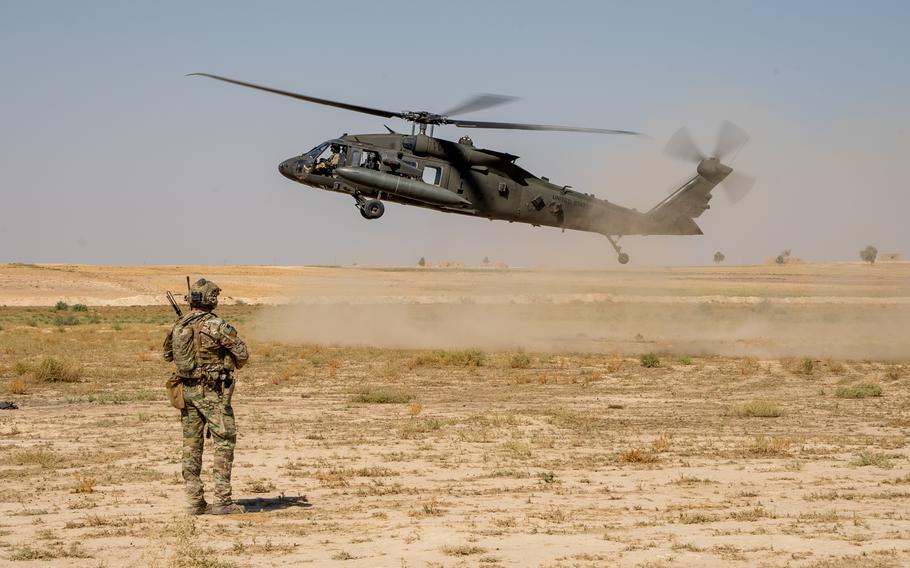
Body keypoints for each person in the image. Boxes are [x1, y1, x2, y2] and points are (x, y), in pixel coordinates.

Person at [163, 278, 249, 515]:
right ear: (211, 299)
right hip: (212, 393)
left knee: (191, 446)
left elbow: (168, 355)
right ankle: (222, 500)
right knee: (224, 441)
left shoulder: (178, 325)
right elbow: (242, 355)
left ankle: (195, 501)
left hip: (185, 392)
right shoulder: (217, 326)